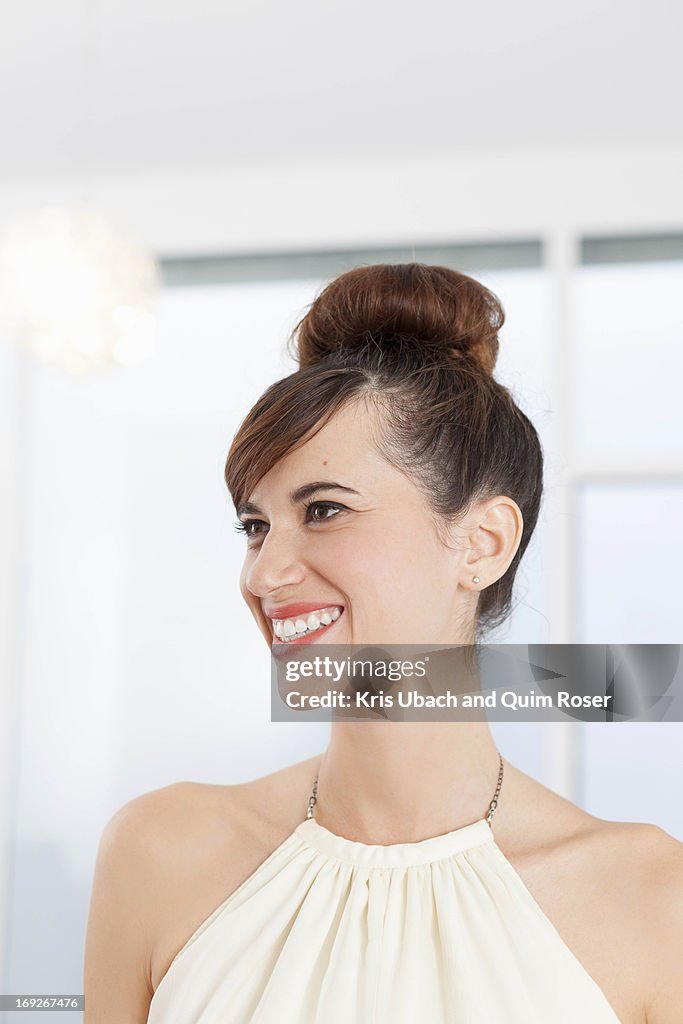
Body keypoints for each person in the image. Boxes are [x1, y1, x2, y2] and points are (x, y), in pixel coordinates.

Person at [84, 264, 683, 1023]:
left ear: (481, 543)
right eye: (254, 526)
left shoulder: (652, 899)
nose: (264, 574)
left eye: (325, 510)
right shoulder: (161, 851)